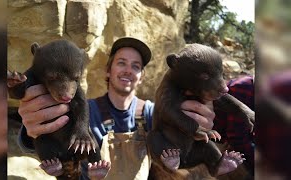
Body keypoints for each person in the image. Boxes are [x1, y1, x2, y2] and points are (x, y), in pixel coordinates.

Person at [17, 37, 236, 179]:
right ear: (107, 70)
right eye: (121, 62)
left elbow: (174, 141)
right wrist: (30, 132)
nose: (128, 70)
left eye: (136, 66)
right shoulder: (86, 109)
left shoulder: (153, 113)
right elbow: (48, 130)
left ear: (142, 77)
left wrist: (201, 119)